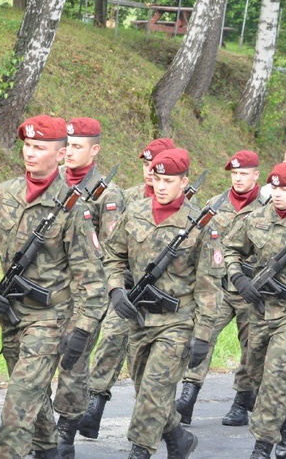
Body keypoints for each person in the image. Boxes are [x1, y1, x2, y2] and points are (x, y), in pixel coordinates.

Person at [0, 115, 106, 459]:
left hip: (51, 319)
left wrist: (83, 331)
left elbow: (91, 277)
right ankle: (50, 450)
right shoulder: (4, 193)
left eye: (40, 147)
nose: (30, 153)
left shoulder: (74, 209)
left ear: (59, 155)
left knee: (19, 403)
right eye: (27, 145)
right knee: (34, 397)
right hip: (10, 315)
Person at [103, 148, 220, 459]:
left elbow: (209, 284)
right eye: (157, 179)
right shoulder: (135, 212)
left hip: (178, 321)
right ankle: (178, 437)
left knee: (154, 390)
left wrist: (203, 335)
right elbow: (112, 256)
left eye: (169, 180)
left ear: (184, 182)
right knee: (147, 391)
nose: (162, 186)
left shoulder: (200, 223)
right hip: (139, 319)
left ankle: (139, 450)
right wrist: (116, 290)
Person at [223, 161, 286, 459]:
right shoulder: (256, 218)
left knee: (275, 380)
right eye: (275, 188)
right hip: (260, 311)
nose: (279, 194)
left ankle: (262, 446)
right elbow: (231, 249)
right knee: (255, 373)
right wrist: (239, 277)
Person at [76, 138, 176, 439]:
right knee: (110, 339)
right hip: (126, 288)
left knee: (147, 369)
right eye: (146, 165)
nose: (149, 172)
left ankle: (166, 425)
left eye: (156, 166)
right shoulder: (128, 197)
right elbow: (112, 244)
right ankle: (95, 406)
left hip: (165, 298)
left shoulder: (185, 209)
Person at [175, 150, 265, 427]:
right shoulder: (216, 203)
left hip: (252, 290)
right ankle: (188, 397)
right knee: (201, 338)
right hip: (219, 288)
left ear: (256, 175)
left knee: (252, 347)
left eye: (243, 174)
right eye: (234, 174)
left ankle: (241, 401)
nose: (238, 179)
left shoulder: (267, 206)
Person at [53, 117, 124, 456]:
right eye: (65, 145)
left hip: (85, 292)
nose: (68, 152)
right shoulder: (51, 183)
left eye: (77, 146)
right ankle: (40, 428)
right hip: (48, 287)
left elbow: (111, 249)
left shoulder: (107, 194)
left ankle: (65, 432)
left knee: (73, 361)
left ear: (94, 150)